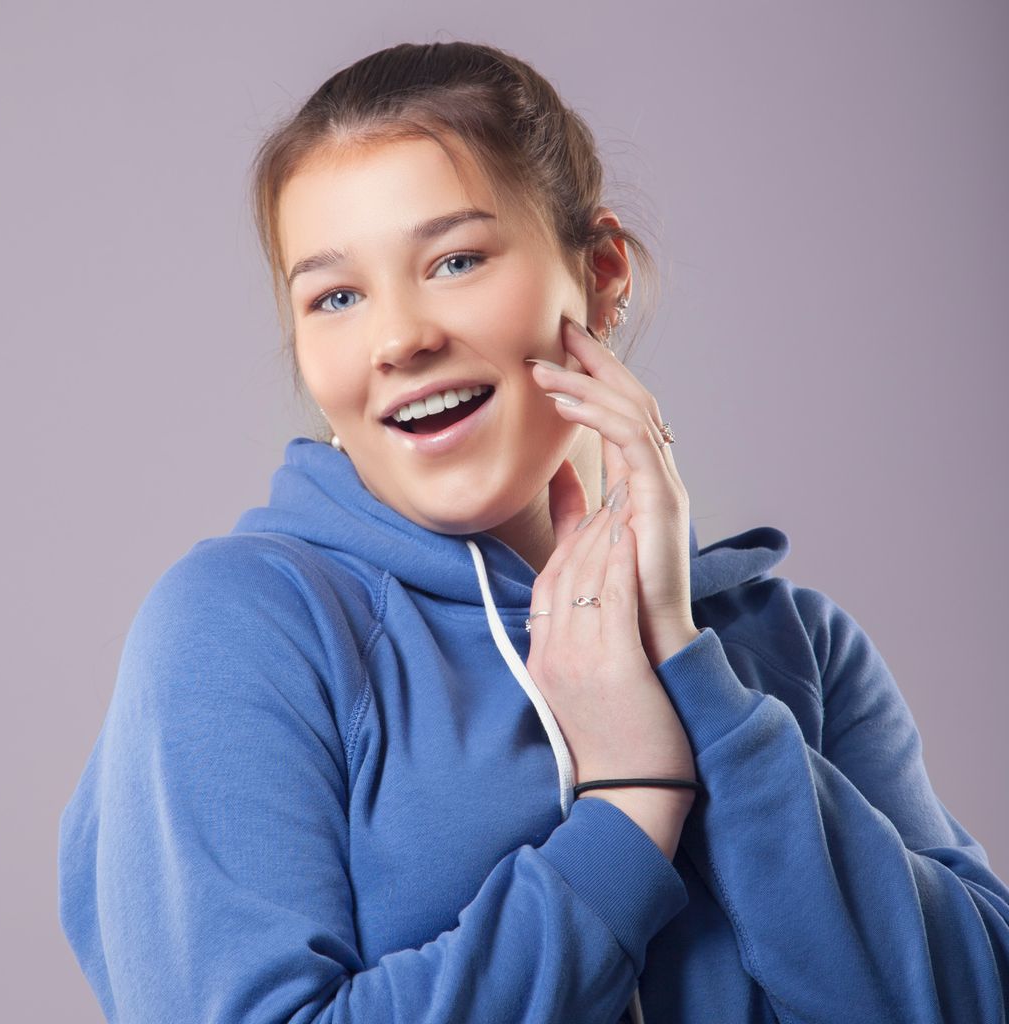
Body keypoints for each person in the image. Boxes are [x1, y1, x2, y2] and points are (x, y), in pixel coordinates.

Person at [57, 40, 1009, 1024]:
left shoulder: (794, 647)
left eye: (455, 260)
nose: (398, 339)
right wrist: (627, 812)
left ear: (599, 272)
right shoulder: (240, 630)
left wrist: (689, 672)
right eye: (336, 296)